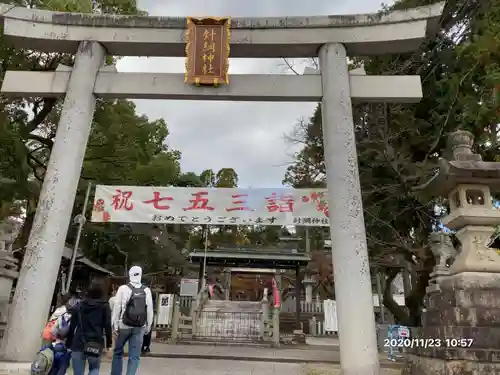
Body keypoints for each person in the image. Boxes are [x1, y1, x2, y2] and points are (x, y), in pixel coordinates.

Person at [111, 266, 153, 375]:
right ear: (140, 274)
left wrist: (115, 325)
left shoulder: (123, 288)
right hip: (140, 326)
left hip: (124, 325)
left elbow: (117, 308)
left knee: (118, 352)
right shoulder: (146, 290)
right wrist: (148, 327)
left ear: (129, 274)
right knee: (134, 356)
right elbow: (149, 310)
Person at [66, 281, 113, 375]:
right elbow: (108, 326)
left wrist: (68, 344)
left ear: (88, 292)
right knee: (94, 368)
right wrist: (109, 344)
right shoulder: (104, 306)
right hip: (95, 343)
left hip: (78, 343)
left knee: (78, 373)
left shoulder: (79, 306)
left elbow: (72, 327)